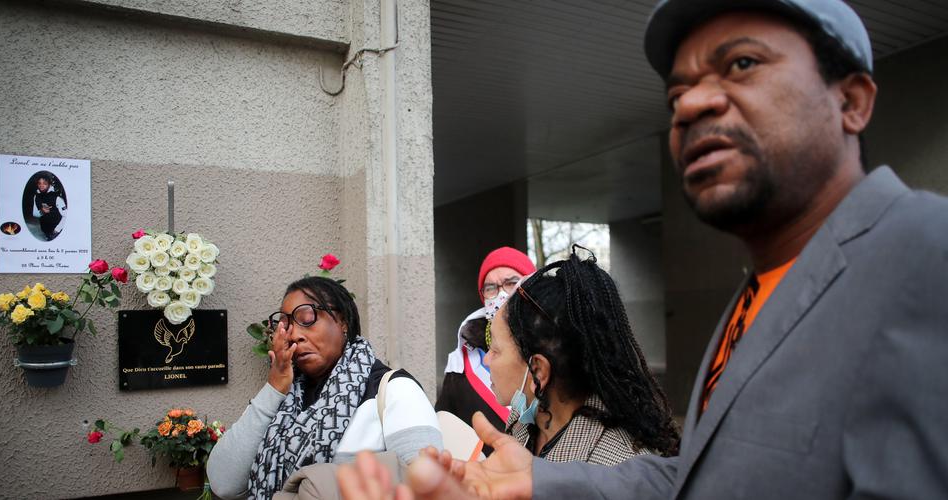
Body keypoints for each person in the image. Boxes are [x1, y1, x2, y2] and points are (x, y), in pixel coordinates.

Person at [336, 0, 948, 498]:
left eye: (741, 64)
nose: (693, 104)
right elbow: (698, 480)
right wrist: (541, 482)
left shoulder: (924, 253)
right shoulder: (758, 291)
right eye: (678, 90)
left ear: (852, 100)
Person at [206, 276, 443, 499]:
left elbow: (428, 489)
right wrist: (274, 388)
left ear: (342, 322)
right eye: (286, 324)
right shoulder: (286, 398)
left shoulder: (394, 390)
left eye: (307, 318)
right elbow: (223, 482)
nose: (295, 335)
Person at [486, 248, 678, 465]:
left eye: (495, 349)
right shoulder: (525, 425)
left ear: (538, 371)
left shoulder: (613, 469)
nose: (486, 359)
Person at [436, 247, 536, 432]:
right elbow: (445, 424)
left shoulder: (553, 349)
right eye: (490, 287)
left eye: (511, 282)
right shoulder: (461, 366)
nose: (501, 294)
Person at [30, 174, 66, 240]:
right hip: (45, 230)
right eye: (39, 183)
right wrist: (42, 211)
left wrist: (57, 230)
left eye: (44, 183)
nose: (41, 186)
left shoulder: (57, 198)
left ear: (49, 184)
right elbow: (35, 214)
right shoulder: (36, 196)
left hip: (58, 229)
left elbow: (66, 216)